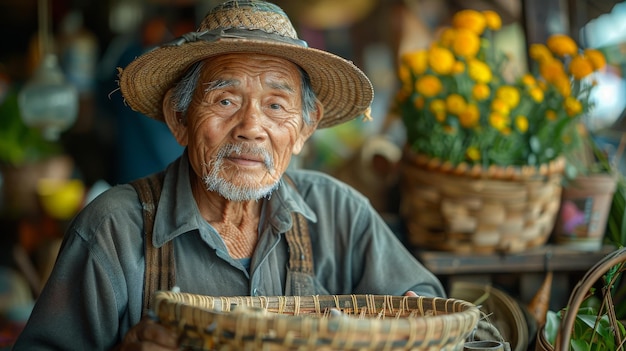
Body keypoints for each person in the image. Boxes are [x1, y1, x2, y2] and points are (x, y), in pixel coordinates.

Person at [12, 1, 445, 350]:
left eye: (276, 105)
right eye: (224, 101)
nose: (251, 126)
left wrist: (410, 325)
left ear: (304, 131)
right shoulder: (112, 229)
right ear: (179, 118)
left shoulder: (338, 213)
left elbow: (428, 308)